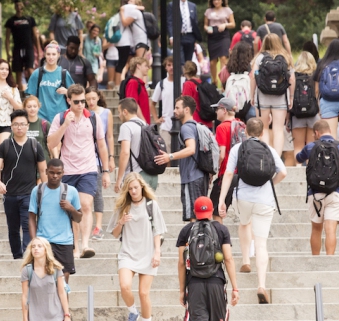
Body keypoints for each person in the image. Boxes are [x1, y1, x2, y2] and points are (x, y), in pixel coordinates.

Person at [217, 118, 287, 304]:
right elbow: (284, 172)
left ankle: (246, 260)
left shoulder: (237, 148)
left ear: (245, 132)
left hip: (244, 198)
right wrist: (271, 184)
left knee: (244, 223)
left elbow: (229, 173)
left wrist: (222, 199)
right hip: (265, 200)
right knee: (262, 243)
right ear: (262, 133)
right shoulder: (269, 149)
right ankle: (261, 285)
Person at [47, 84, 111, 259]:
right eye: (77, 102)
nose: (81, 105)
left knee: (85, 204)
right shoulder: (60, 118)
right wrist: (65, 125)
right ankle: (75, 247)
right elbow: (51, 143)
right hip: (67, 170)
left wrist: (105, 171)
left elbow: (102, 144)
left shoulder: (93, 118)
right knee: (73, 208)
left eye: (83, 101)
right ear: (68, 100)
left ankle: (85, 244)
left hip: (89, 169)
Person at [296, 120, 339, 255]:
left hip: (314, 194)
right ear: (330, 131)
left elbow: (298, 158)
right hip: (335, 192)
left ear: (317, 133)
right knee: (330, 229)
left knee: (316, 229)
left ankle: (315, 260)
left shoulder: (311, 146)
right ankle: (329, 261)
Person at [0, 109, 48, 260]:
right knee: (13, 229)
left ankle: (26, 256)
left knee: (27, 226)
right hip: (9, 195)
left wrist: (46, 188)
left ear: (28, 126)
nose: (19, 127)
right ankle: (17, 257)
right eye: (16, 124)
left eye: (22, 124)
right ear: (11, 126)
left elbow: (43, 170)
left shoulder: (35, 145)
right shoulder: (5, 145)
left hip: (29, 194)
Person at [110, 172, 167, 321]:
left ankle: (146, 319)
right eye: (130, 189)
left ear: (141, 186)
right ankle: (133, 312)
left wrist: (157, 253)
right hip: (127, 253)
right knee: (124, 286)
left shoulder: (151, 204)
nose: (133, 191)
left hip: (148, 254)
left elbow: (158, 231)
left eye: (135, 187)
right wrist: (121, 222)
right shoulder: (123, 206)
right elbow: (115, 234)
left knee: (143, 293)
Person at [177, 196, 239, 320]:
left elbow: (181, 263)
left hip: (195, 283)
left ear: (195, 212)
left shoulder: (186, 230)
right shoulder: (221, 229)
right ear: (211, 211)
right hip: (216, 282)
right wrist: (235, 288)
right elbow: (228, 258)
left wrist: (182, 290)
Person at [29, 158, 84, 282]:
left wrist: (71, 209)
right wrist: (34, 241)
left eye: (58, 173)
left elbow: (79, 218)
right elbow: (31, 218)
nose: (55, 176)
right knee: (44, 280)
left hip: (65, 242)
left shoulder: (72, 191)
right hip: (44, 241)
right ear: (46, 172)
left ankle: (63, 302)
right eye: (52, 172)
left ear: (63, 173)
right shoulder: (37, 191)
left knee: (64, 281)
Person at [154, 96, 208, 222]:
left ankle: (196, 240)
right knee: (200, 214)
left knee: (193, 216)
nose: (174, 111)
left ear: (187, 110)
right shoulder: (197, 126)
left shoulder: (186, 128)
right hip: (199, 176)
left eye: (177, 108)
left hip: (191, 177)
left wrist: (170, 156)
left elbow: (191, 149)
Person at [249, 33, 294, 157]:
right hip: (280, 98)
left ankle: (267, 156)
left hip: (262, 97)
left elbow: (253, 77)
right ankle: (277, 157)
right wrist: (291, 97)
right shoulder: (286, 57)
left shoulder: (259, 58)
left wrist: (252, 95)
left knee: (263, 128)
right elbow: (292, 79)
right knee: (278, 129)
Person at [86, 87, 115, 240]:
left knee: (97, 191)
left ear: (98, 97)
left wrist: (110, 157)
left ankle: (98, 226)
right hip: (85, 156)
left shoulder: (106, 113)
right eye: (87, 99)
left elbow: (109, 136)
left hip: (99, 156)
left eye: (93, 98)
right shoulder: (83, 112)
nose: (90, 102)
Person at [20, 237, 72, 321]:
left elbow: (62, 293)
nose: (36, 248)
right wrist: (25, 318)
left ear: (46, 249)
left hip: (55, 316)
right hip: (35, 317)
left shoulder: (56, 269)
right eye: (33, 246)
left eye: (39, 246)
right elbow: (25, 296)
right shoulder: (27, 270)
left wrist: (67, 315)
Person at [115, 98, 162, 191]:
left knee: (133, 205)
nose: (119, 115)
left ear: (125, 111)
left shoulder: (126, 126)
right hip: (152, 175)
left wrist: (119, 179)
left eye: (119, 112)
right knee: (147, 205)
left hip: (135, 177)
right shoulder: (145, 125)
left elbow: (125, 152)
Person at [209, 97, 242, 223]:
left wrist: (213, 171)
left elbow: (221, 154)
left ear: (224, 110)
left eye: (217, 109)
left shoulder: (222, 127)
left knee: (216, 211)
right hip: (240, 173)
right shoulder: (241, 125)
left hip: (226, 174)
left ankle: (221, 240)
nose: (216, 112)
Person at [26, 41, 76, 123]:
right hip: (41, 117)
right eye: (48, 54)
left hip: (61, 117)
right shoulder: (37, 73)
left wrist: (67, 92)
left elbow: (76, 96)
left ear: (58, 55)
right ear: (45, 55)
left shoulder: (64, 73)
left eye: (53, 54)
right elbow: (31, 97)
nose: (51, 57)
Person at [5, 1, 42, 90]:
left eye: (20, 5)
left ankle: (34, 90)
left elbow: (35, 36)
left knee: (30, 69)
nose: (19, 7)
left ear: (23, 7)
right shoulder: (11, 21)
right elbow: (7, 39)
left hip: (29, 48)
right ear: (14, 7)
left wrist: (39, 50)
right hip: (17, 49)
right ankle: (20, 93)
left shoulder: (30, 19)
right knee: (18, 72)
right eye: (17, 5)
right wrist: (8, 53)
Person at [150, 56, 184, 152]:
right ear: (165, 67)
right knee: (166, 154)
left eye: (173, 65)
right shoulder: (162, 84)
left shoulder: (183, 81)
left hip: (182, 125)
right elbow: (152, 103)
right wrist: (156, 119)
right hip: (166, 126)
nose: (171, 67)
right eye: (169, 65)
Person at [291, 52, 320, 156]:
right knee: (311, 146)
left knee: (298, 147)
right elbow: (317, 93)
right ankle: (309, 168)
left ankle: (298, 168)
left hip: (297, 114)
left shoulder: (293, 75)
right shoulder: (315, 76)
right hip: (313, 112)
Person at [203, 0, 235, 89]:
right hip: (212, 36)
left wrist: (225, 25)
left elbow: (233, 24)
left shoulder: (227, 10)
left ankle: (223, 82)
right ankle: (214, 81)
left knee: (223, 58)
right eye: (214, 0)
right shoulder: (208, 11)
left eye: (218, 0)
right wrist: (207, 28)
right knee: (213, 61)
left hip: (223, 35)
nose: (216, 2)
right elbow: (205, 25)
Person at [220, 41, 255, 119]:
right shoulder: (252, 70)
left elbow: (224, 87)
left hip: (231, 108)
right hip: (249, 107)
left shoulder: (225, 70)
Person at [116, 0, 147, 81]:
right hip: (137, 41)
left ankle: (142, 83)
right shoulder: (136, 11)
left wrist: (122, 12)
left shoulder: (135, 12)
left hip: (141, 40)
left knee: (140, 63)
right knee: (134, 63)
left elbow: (125, 23)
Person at [181, 61, 213, 129]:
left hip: (195, 122)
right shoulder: (202, 83)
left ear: (185, 71)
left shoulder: (188, 84)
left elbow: (186, 104)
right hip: (207, 121)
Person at [24, 96, 51, 168]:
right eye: (29, 107)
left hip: (43, 160)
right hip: (25, 161)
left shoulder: (45, 124)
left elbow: (52, 142)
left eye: (35, 106)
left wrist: (55, 158)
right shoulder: (21, 124)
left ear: (38, 107)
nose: (32, 109)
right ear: (25, 108)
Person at [126, 57, 155, 123]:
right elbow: (133, 104)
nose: (148, 68)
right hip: (138, 124)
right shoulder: (133, 82)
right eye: (145, 66)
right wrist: (143, 121)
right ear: (138, 66)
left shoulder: (140, 83)